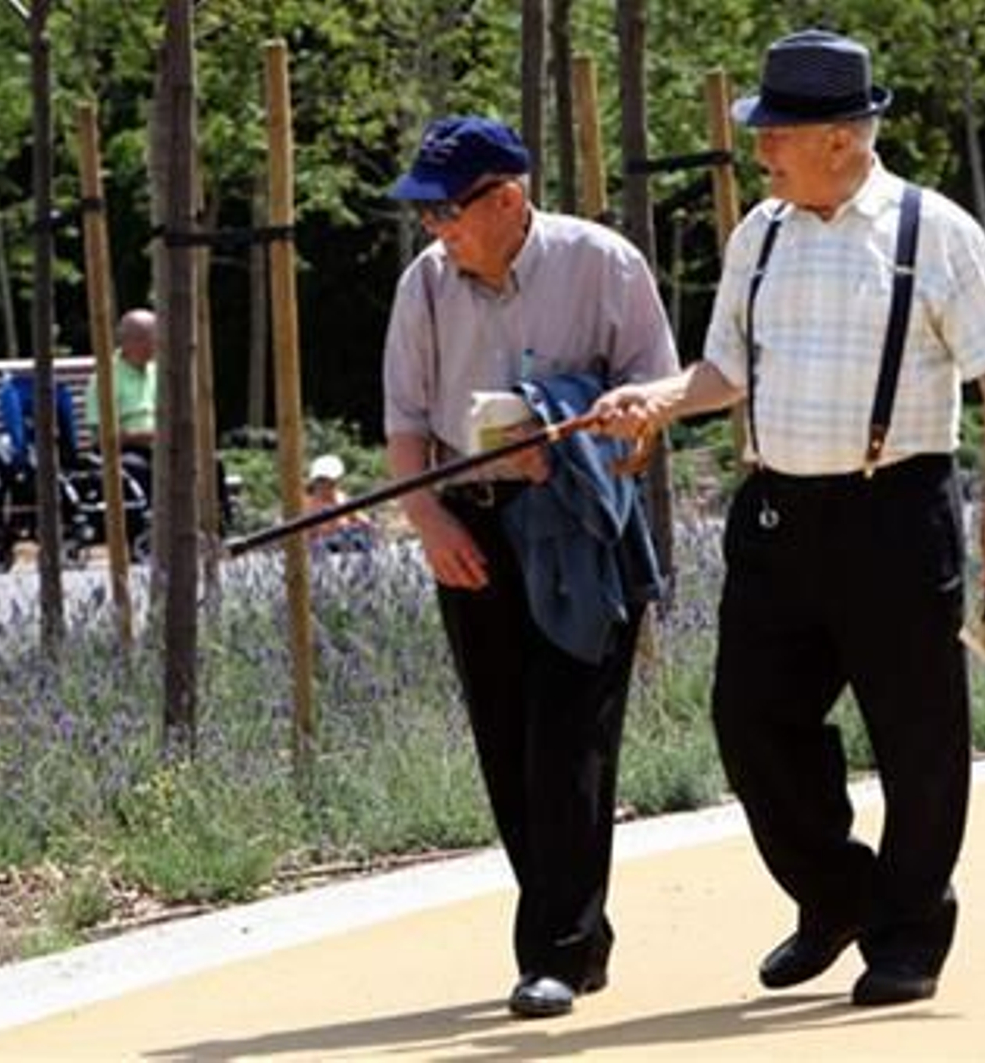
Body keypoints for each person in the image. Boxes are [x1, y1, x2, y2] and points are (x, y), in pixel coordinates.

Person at [594, 29, 985, 1007]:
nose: (760, 151)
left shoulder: (933, 232)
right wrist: (657, 399)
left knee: (917, 732)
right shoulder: (760, 233)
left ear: (840, 136)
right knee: (750, 719)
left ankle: (909, 933)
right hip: (776, 519)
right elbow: (723, 373)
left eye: (777, 133)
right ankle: (839, 894)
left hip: (896, 510)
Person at [380, 115, 679, 1019]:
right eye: (424, 212)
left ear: (507, 198)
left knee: (571, 741)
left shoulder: (605, 264)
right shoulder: (423, 287)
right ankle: (577, 933)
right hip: (472, 528)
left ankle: (549, 948)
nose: (436, 229)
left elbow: (660, 396)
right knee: (509, 745)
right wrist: (429, 520)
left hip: (582, 526)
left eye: (447, 209)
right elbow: (403, 426)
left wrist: (600, 437)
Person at [84, 307, 157, 496]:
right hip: (125, 451)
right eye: (153, 337)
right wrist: (139, 436)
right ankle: (150, 522)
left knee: (210, 462)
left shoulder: (157, 371)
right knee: (138, 468)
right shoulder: (105, 378)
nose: (158, 343)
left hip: (163, 446)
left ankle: (219, 518)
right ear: (130, 342)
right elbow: (102, 437)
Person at [302, 453, 374, 553]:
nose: (323, 487)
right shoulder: (309, 505)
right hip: (323, 552)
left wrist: (355, 525)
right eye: (320, 481)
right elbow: (306, 536)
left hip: (348, 546)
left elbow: (366, 522)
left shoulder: (342, 498)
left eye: (332, 484)